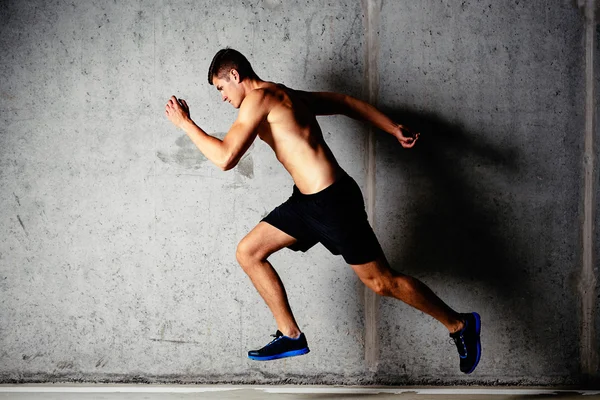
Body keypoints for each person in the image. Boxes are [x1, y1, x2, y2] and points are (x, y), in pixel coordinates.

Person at [165, 48, 481, 374]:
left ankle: (459, 324)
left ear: (234, 75)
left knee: (381, 282)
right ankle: (290, 335)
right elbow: (343, 102)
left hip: (333, 203)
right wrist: (391, 127)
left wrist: (185, 123)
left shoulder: (258, 99)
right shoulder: (282, 94)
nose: (222, 97)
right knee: (248, 252)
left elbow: (225, 157)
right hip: (306, 204)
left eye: (220, 88)